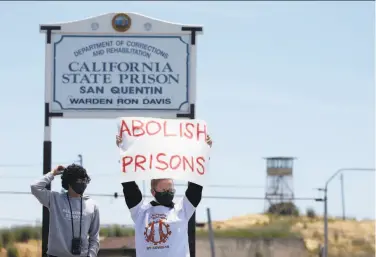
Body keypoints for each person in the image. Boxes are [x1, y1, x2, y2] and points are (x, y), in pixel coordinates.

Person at [116, 134, 212, 257]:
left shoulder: (182, 210)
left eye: (170, 189)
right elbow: (129, 187)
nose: (168, 192)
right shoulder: (140, 212)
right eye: (164, 189)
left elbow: (195, 187)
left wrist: (203, 153)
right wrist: (123, 152)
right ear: (153, 192)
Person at [30, 164, 100, 257]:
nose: (83, 183)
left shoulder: (92, 205)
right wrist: (52, 173)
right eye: (79, 180)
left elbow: (94, 237)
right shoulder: (55, 199)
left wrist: (91, 255)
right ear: (70, 181)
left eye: (85, 180)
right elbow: (35, 187)